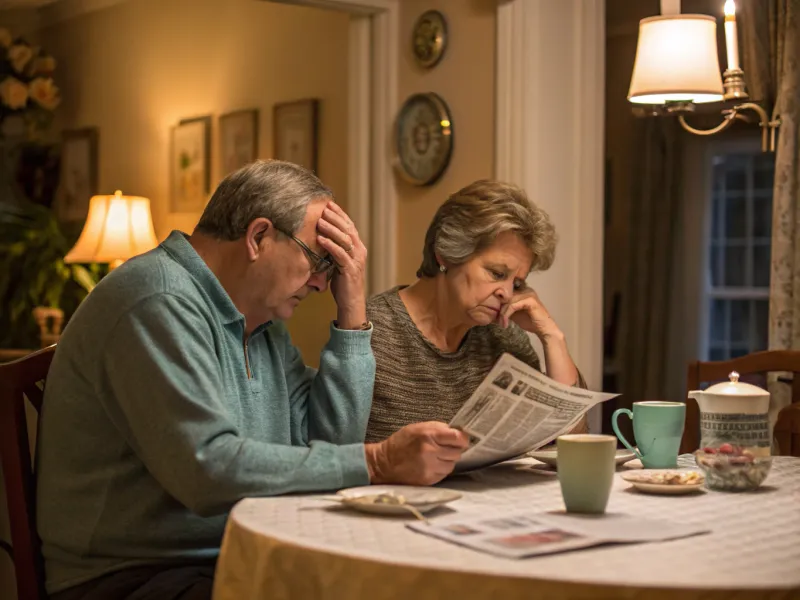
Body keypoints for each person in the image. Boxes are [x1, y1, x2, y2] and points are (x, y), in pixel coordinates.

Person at [36, 160, 469, 600]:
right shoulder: (156, 299)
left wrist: (352, 309)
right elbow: (208, 469)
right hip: (133, 576)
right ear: (258, 236)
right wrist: (376, 463)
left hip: (235, 554)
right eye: (321, 261)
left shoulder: (258, 323)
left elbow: (332, 442)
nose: (323, 283)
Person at [365, 179, 587, 443]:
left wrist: (552, 336)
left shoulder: (503, 335)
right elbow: (340, 452)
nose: (507, 293)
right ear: (446, 253)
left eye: (516, 283)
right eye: (497, 273)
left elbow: (574, 440)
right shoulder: (370, 330)